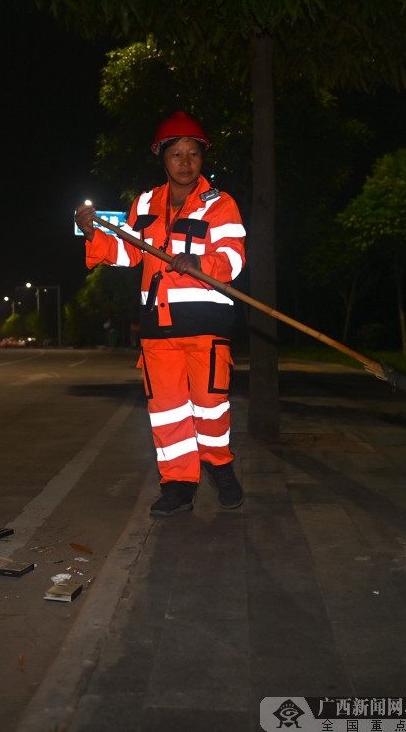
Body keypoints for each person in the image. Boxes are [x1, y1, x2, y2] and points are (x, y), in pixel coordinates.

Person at [75, 111, 246, 517]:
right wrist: (92, 231)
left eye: (193, 154)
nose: (185, 162)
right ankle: (178, 487)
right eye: (176, 154)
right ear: (162, 158)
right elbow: (126, 253)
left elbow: (234, 260)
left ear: (203, 158)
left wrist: (201, 262)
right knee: (167, 412)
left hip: (206, 326)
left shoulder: (220, 204)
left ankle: (220, 468)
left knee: (209, 406)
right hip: (157, 327)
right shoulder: (145, 203)